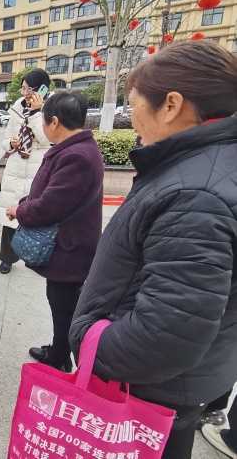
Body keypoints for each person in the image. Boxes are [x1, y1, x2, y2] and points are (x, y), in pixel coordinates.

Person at [70, 40, 237, 459]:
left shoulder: (195, 193)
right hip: (186, 380)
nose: (131, 117)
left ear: (171, 104)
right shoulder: (209, 163)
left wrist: (91, 344)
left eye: (133, 104)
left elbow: (166, 335)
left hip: (152, 392)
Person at [5, 91, 103, 372]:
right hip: (66, 245)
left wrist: (20, 210)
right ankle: (59, 351)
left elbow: (51, 205)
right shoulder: (74, 149)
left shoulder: (77, 156)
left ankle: (66, 359)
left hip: (69, 247)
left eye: (45, 121)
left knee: (65, 308)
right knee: (60, 303)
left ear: (55, 122)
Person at [0, 68, 52, 274]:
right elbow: (5, 139)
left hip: (37, 168)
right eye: (23, 88)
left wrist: (37, 113)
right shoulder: (17, 108)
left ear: (41, 90)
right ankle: (6, 258)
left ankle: (34, 254)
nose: (23, 92)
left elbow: (47, 139)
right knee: (9, 217)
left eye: (27, 88)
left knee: (32, 215)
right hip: (16, 165)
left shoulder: (50, 109)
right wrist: (10, 143)